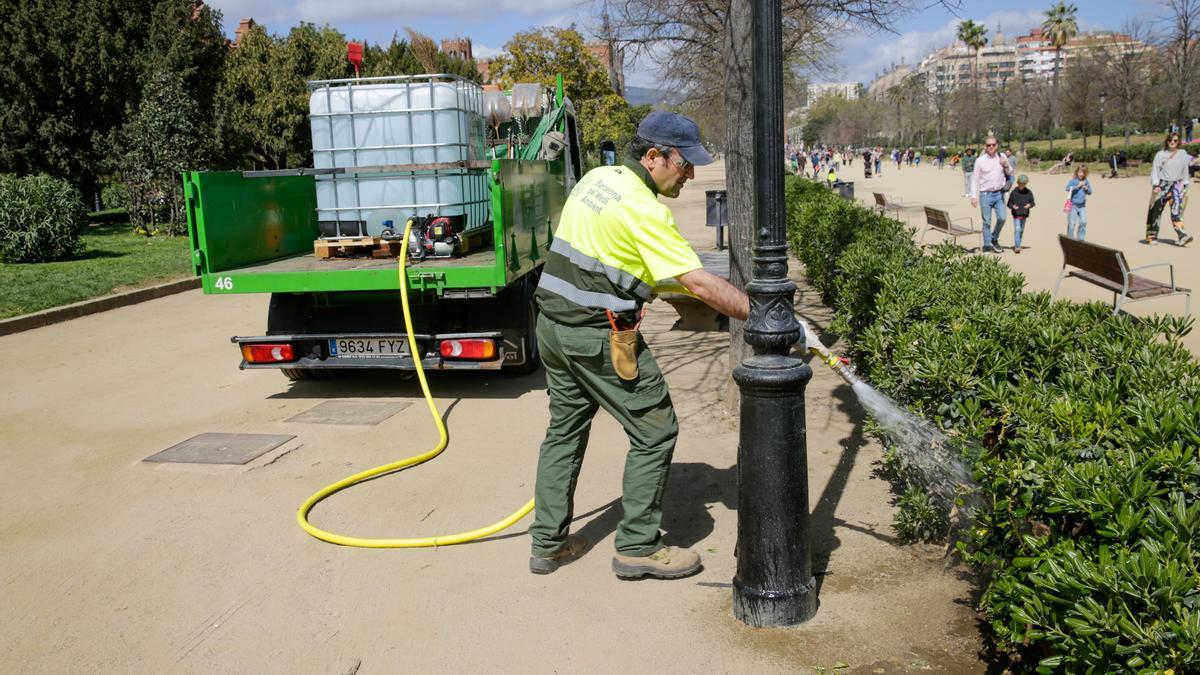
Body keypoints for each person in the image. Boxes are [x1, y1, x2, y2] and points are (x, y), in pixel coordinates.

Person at [529, 111, 750, 579]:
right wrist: (765, 313)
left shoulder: (598, 178)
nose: (690, 174)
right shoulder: (645, 209)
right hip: (598, 338)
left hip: (551, 327)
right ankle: (637, 547)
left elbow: (609, 255)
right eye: (683, 163)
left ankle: (548, 544)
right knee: (656, 431)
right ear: (653, 156)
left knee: (564, 432)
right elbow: (699, 284)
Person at [1145, 132, 1194, 246]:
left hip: (1177, 186)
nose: (1172, 142)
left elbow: (1185, 169)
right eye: (1170, 140)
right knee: (1155, 211)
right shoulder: (1160, 154)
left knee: (1177, 211)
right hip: (1162, 185)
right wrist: (1156, 184)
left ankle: (1182, 236)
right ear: (1167, 141)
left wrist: (1185, 184)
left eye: (1175, 140)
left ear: (1178, 142)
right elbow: (1155, 170)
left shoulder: (1182, 153)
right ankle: (1151, 236)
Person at [970, 137, 1013, 253]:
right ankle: (987, 246)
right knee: (987, 222)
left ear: (997, 145)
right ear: (985, 146)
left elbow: (1010, 173)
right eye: (989, 145)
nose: (991, 147)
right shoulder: (980, 160)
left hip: (999, 194)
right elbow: (974, 179)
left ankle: (994, 238)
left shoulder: (1002, 156)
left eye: (993, 144)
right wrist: (973, 196)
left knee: (1002, 218)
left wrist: (1006, 165)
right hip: (985, 194)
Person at [1006, 174, 1036, 254]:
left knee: (1021, 230)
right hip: (1016, 215)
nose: (1022, 185)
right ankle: (1017, 246)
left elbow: (1033, 202)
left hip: (1024, 214)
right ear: (1018, 183)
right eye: (1021, 184)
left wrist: (1029, 205)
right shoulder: (1013, 193)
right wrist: (1013, 207)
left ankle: (1018, 243)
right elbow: (1009, 204)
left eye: (1024, 184)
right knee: (1017, 229)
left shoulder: (1029, 192)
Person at [1065, 165, 1092, 240]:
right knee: (1072, 224)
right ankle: (1070, 238)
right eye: (1080, 172)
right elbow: (1067, 188)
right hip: (1073, 205)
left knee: (1084, 222)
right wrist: (1077, 186)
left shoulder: (1086, 181)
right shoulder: (1073, 181)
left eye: (1083, 173)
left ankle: (1081, 239)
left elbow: (1090, 192)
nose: (1081, 174)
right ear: (1077, 172)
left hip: (1082, 206)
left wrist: (1086, 189)